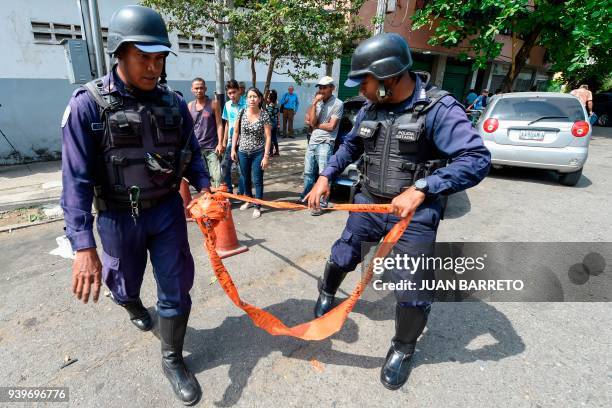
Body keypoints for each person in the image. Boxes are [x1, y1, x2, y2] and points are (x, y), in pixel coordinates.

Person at [305, 33, 491, 391]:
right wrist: (325, 176)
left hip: (414, 217)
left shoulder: (439, 108)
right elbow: (350, 146)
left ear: (389, 77)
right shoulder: (371, 107)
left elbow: (476, 160)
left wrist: (423, 188)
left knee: (411, 288)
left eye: (365, 81)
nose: (360, 88)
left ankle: (403, 348)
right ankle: (327, 291)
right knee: (344, 253)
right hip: (369, 202)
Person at [60, 5, 209, 404]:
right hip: (116, 217)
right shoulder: (87, 106)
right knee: (122, 285)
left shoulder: (174, 104)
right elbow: (74, 180)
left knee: (176, 289)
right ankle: (130, 304)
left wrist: (206, 187)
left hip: (165, 212)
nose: (153, 66)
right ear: (119, 53)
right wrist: (83, 247)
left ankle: (173, 358)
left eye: (159, 57)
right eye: (144, 56)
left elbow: (192, 153)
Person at [302, 76, 344, 216]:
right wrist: (314, 104)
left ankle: (322, 203)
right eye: (320, 87)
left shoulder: (338, 104)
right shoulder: (318, 102)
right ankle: (307, 197)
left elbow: (331, 126)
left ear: (332, 88)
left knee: (323, 174)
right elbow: (309, 120)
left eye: (324, 87)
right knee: (308, 173)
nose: (321, 90)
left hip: (326, 142)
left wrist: (315, 125)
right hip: (313, 141)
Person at [231, 87, 272, 219]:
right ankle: (248, 200)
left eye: (255, 96)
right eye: (249, 96)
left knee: (257, 180)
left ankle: (258, 206)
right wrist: (233, 149)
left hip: (258, 152)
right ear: (246, 99)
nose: (252, 99)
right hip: (242, 152)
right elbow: (236, 132)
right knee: (245, 178)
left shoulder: (264, 115)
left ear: (259, 99)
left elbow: (268, 137)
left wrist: (266, 156)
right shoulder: (241, 113)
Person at [188, 77, 224, 187]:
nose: (199, 90)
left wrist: (220, 143)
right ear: (192, 90)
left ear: (205, 88)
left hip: (212, 147)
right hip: (197, 149)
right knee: (202, 178)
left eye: (201, 88)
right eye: (196, 88)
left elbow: (219, 124)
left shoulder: (214, 104)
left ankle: (218, 201)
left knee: (217, 177)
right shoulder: (190, 106)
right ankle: (207, 201)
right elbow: (188, 128)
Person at [221, 79, 246, 194]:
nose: (232, 95)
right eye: (229, 93)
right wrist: (224, 141)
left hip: (244, 141)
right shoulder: (227, 105)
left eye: (234, 92)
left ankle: (241, 191)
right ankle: (229, 191)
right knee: (224, 166)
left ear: (239, 91)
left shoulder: (246, 104)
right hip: (231, 141)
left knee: (242, 169)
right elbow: (227, 123)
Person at [265, 89, 281, 156]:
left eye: (268, 97)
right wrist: (278, 123)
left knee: (269, 137)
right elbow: (278, 114)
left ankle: (271, 152)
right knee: (274, 137)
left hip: (270, 123)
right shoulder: (277, 104)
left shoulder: (270, 106)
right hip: (275, 122)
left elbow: (268, 115)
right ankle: (277, 151)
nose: (268, 97)